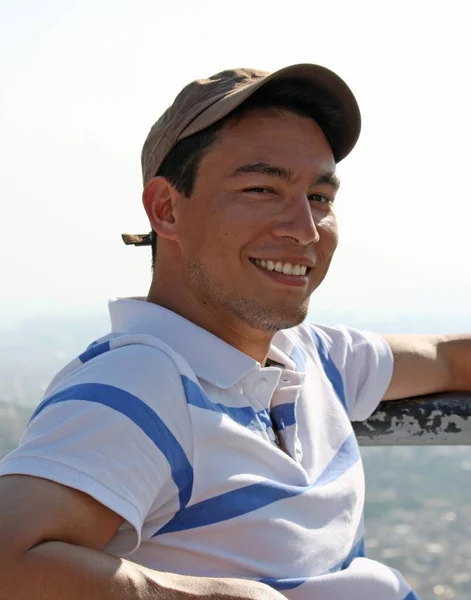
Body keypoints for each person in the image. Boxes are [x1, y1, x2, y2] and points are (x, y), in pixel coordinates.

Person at [0, 63, 469, 600]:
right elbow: (9, 562)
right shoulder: (141, 383)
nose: (305, 229)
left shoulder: (311, 356)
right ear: (167, 209)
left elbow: (451, 359)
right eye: (262, 188)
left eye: (320, 197)